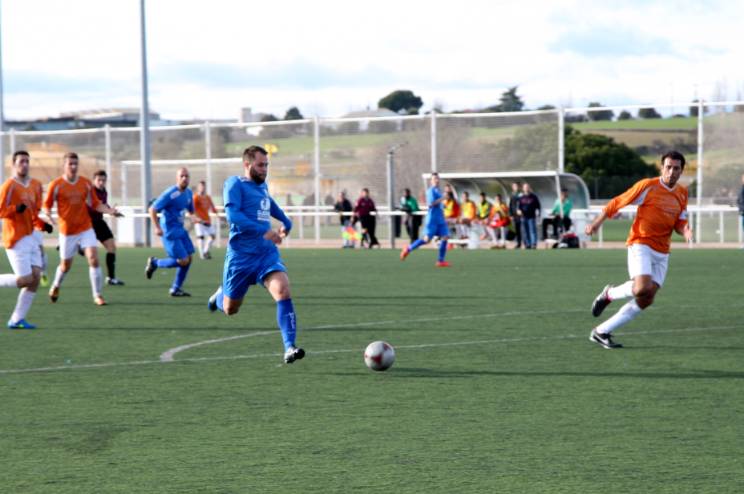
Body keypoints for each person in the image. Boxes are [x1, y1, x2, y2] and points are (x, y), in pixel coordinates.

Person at [206, 145, 304, 364]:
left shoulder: (262, 186)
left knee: (283, 290)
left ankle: (289, 347)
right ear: (247, 164)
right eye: (260, 165)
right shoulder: (234, 184)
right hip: (240, 258)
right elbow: (233, 216)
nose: (264, 169)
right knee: (231, 309)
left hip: (265, 254)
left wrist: (285, 220)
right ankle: (219, 297)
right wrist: (263, 230)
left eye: (266, 165)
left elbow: (268, 203)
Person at [585, 150, 693, 349]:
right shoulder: (648, 186)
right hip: (641, 243)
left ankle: (601, 331)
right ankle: (609, 294)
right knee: (641, 288)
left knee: (647, 298)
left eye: (676, 168)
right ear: (661, 168)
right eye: (668, 167)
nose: (671, 172)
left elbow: (679, 221)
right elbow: (618, 201)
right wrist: (596, 223)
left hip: (662, 251)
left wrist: (685, 229)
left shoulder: (682, 193)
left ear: (681, 171)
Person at [43, 152, 121, 306]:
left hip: (85, 228)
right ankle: (55, 285)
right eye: (70, 164)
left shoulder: (85, 183)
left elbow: (95, 203)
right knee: (65, 266)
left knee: (93, 258)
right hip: (67, 232)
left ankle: (97, 295)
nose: (73, 167)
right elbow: (47, 205)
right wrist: (48, 215)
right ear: (64, 165)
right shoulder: (56, 185)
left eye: (75, 164)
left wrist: (110, 211)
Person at [0, 151, 48, 328]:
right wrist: (14, 209)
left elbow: (34, 213)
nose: (25, 164)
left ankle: (16, 319)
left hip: (31, 236)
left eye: (27, 161)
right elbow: (0, 210)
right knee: (25, 280)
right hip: (15, 238)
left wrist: (42, 225)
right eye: (21, 161)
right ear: (14, 164)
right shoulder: (9, 186)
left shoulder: (36, 185)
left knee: (35, 278)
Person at [145, 167, 195, 297]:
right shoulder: (170, 193)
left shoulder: (189, 193)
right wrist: (157, 227)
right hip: (169, 231)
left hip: (180, 230)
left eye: (186, 176)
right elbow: (152, 209)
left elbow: (191, 210)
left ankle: (176, 288)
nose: (184, 178)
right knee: (183, 260)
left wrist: (194, 218)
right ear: (177, 178)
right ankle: (155, 262)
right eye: (182, 176)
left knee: (189, 258)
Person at [399, 172, 451, 267]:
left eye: (437, 178)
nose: (436, 180)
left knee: (445, 237)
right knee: (426, 240)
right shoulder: (430, 191)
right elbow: (431, 204)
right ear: (431, 181)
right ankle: (408, 249)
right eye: (434, 179)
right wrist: (443, 198)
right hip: (432, 220)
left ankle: (440, 261)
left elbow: (439, 204)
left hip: (440, 220)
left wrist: (443, 206)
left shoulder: (438, 191)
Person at [83, 170, 125, 285]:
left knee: (111, 247)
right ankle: (72, 246)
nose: (101, 182)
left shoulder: (104, 191)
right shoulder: (89, 192)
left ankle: (111, 278)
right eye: (99, 180)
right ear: (94, 180)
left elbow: (103, 205)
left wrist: (112, 211)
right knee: (87, 252)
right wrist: (108, 211)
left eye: (103, 180)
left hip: (98, 222)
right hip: (87, 223)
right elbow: (93, 207)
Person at [193, 180, 218, 259]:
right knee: (201, 237)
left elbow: (212, 207)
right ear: (198, 187)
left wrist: (216, 213)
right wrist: (197, 218)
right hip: (199, 221)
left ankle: (205, 251)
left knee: (213, 236)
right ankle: (202, 255)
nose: (202, 188)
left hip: (207, 220)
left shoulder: (207, 197)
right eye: (201, 186)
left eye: (203, 186)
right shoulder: (195, 197)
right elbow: (192, 209)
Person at [517, 183, 541, 249]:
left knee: (532, 231)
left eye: (527, 187)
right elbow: (518, 207)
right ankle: (527, 244)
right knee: (525, 231)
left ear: (529, 188)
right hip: (523, 217)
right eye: (525, 187)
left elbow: (538, 206)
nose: (526, 188)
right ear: (523, 189)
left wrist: (538, 213)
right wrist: (518, 211)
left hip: (532, 216)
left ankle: (533, 244)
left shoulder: (534, 197)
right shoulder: (521, 197)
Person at [508, 182, 523, 248]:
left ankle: (526, 243)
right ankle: (518, 243)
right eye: (514, 186)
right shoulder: (512, 194)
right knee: (517, 229)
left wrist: (521, 211)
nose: (515, 187)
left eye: (516, 186)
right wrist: (510, 214)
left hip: (521, 214)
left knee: (522, 229)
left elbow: (522, 203)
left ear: (519, 187)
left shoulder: (521, 194)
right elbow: (510, 205)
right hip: (514, 214)